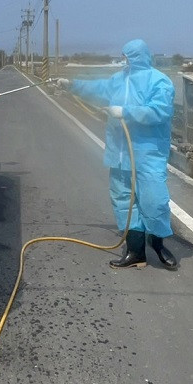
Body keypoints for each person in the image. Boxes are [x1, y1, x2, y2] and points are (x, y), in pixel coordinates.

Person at [53, 39, 178, 270]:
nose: (124, 61)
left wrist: (126, 112)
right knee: (124, 203)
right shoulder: (118, 80)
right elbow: (98, 88)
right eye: (123, 57)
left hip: (148, 154)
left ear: (138, 57)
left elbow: (159, 111)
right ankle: (135, 252)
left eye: (127, 57)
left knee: (154, 200)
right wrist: (70, 84)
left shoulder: (159, 81)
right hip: (120, 154)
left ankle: (158, 243)